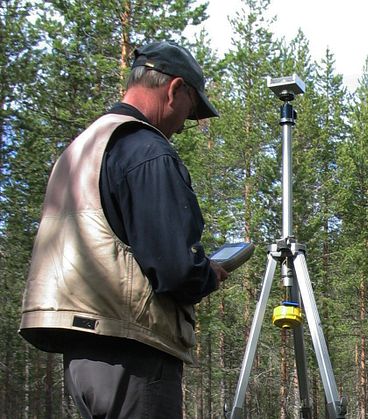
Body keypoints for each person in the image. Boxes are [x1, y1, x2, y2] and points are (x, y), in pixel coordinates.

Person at [19, 41, 229, 418]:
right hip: (132, 352)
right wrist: (208, 274)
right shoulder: (147, 150)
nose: (184, 125)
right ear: (175, 89)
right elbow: (175, 269)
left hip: (82, 356)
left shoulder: (83, 147)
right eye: (190, 108)